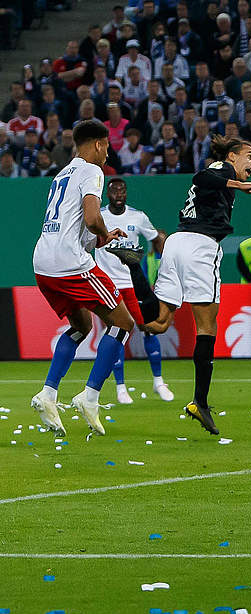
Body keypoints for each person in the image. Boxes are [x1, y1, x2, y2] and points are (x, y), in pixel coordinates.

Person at [139, 136, 251, 435]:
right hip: (199, 247)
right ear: (233, 156)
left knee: (159, 323)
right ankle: (200, 401)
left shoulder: (223, 174)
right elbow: (203, 175)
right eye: (249, 156)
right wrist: (240, 185)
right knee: (207, 328)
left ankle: (126, 295)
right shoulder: (222, 168)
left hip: (175, 242)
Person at [29, 120, 139, 437]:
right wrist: (108, 236)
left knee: (82, 326)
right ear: (98, 144)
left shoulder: (61, 174)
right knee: (123, 323)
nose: (107, 153)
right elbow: (92, 219)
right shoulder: (92, 171)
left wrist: (103, 238)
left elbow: (73, 227)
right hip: (69, 264)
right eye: (106, 146)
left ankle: (48, 394)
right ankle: (89, 397)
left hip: (43, 263)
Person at [92, 177, 172, 405]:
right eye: (114, 191)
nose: (119, 194)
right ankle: (120, 388)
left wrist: (164, 266)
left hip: (133, 283)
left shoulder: (138, 217)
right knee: (117, 333)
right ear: (108, 195)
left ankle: (158, 382)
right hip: (108, 284)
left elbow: (157, 239)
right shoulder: (100, 217)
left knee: (148, 329)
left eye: (122, 190)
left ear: (126, 193)